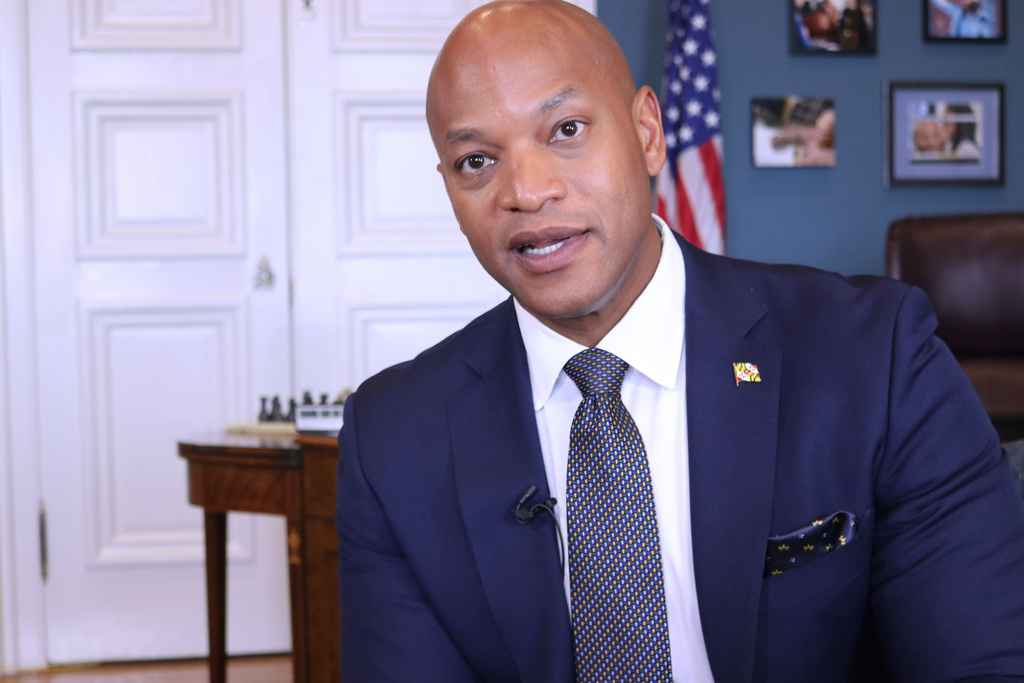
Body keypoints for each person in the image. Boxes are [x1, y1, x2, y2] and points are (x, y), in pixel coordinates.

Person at [335, 1, 1024, 680]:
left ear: (647, 133)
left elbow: (982, 661)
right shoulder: (393, 440)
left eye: (566, 128)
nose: (527, 190)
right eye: (477, 161)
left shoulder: (876, 357)